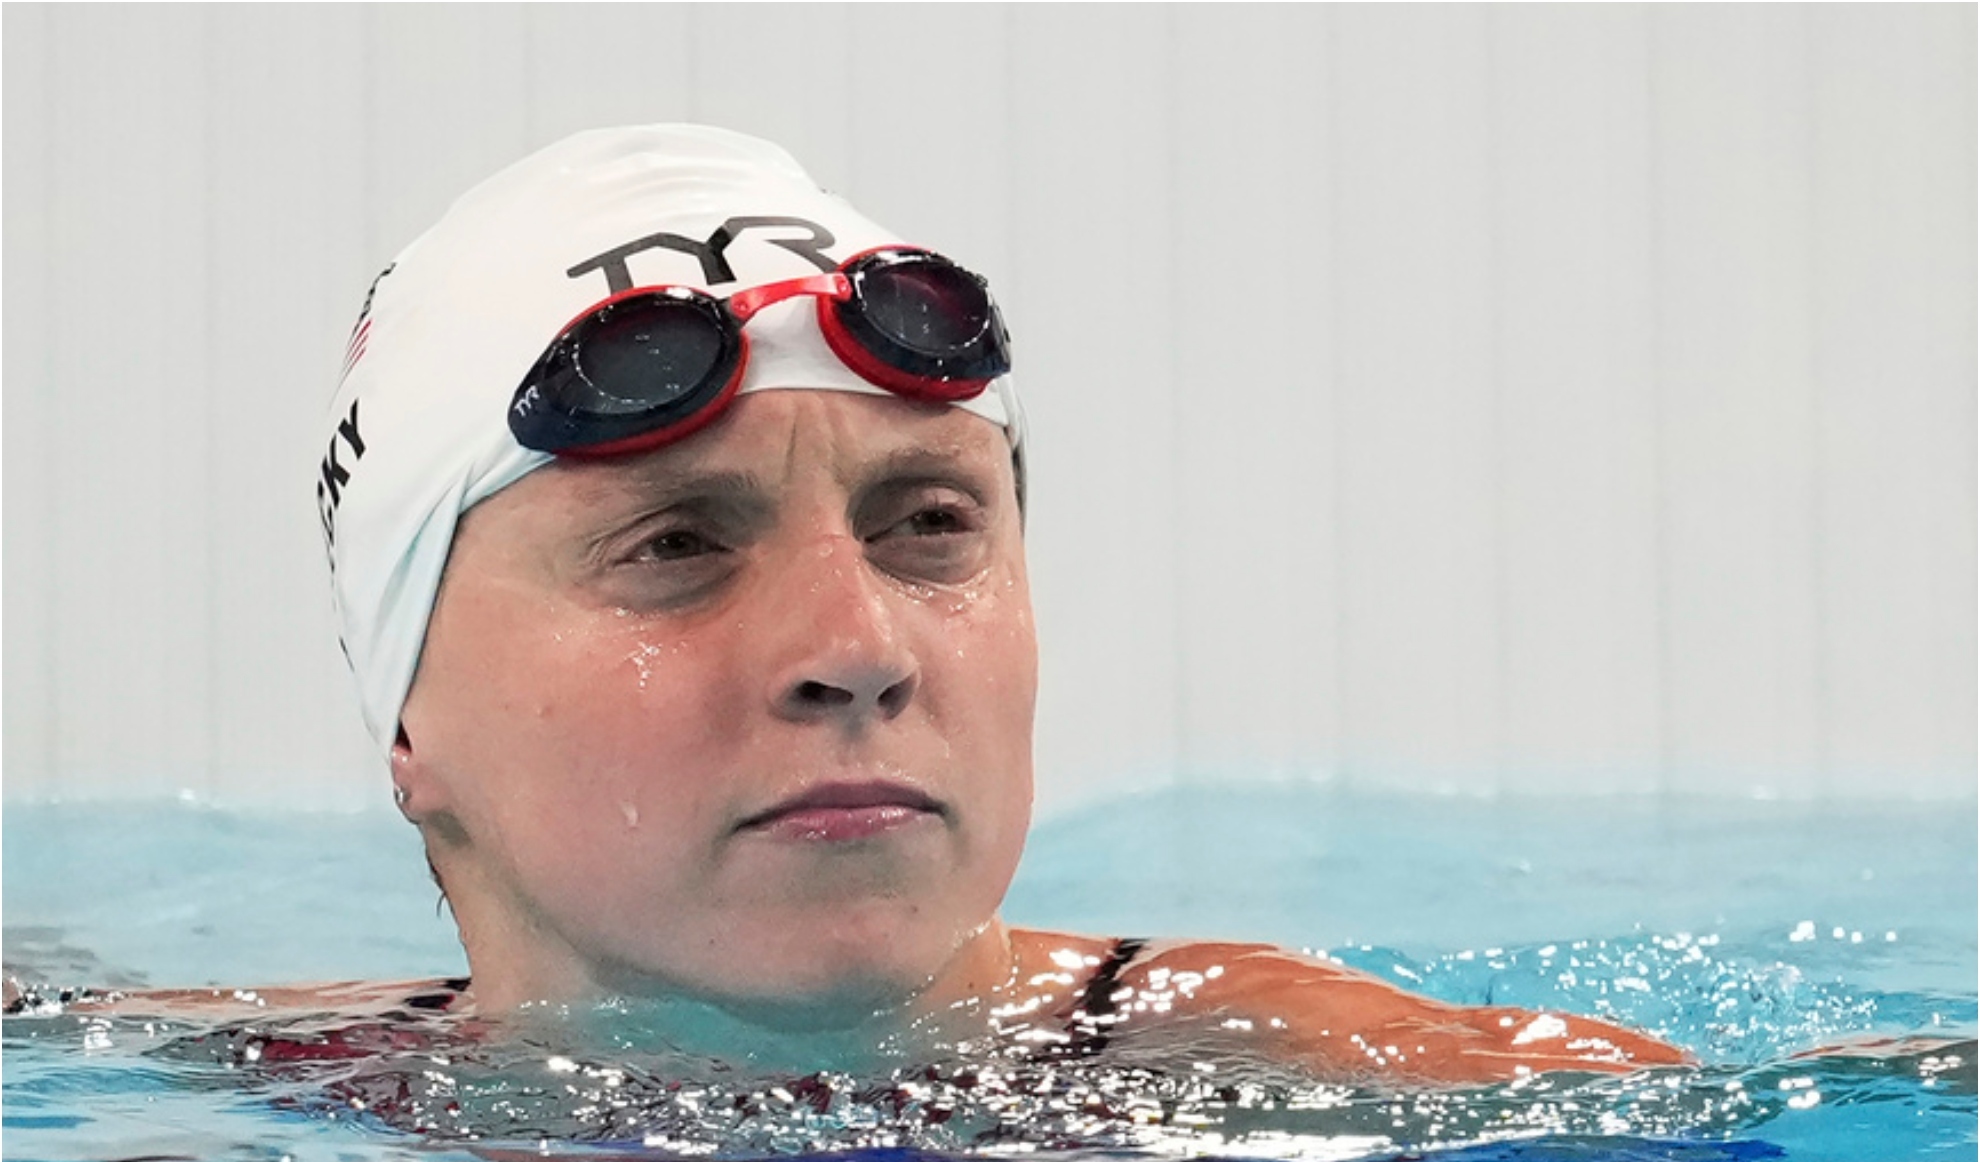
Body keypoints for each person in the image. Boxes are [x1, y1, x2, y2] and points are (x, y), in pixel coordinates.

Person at [12, 125, 1687, 1085]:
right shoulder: (227, 1085)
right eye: (674, 545)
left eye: (929, 526)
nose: (857, 651)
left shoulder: (1349, 1090)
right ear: (407, 716)